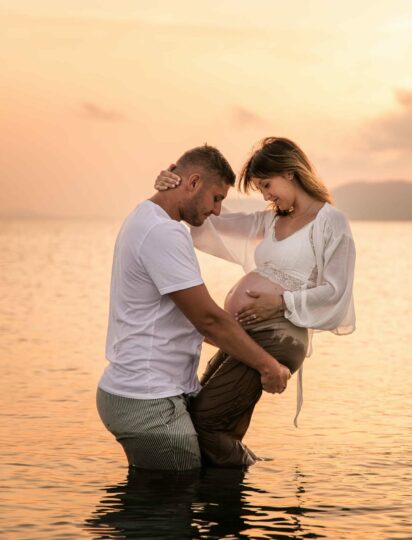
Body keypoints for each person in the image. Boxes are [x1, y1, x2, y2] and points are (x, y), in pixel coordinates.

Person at [154, 137, 356, 467]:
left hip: (280, 338)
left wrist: (281, 303)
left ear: (290, 173)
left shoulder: (331, 223)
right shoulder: (270, 220)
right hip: (247, 335)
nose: (265, 196)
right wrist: (172, 188)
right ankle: (228, 498)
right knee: (203, 415)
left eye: (266, 185)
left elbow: (336, 291)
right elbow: (209, 217)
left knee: (205, 422)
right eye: (261, 190)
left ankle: (236, 483)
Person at [97, 144, 291, 472]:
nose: (217, 211)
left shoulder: (147, 217)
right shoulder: (162, 232)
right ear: (194, 182)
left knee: (167, 502)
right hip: (147, 401)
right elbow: (207, 320)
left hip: (145, 395)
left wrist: (246, 346)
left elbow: (188, 321)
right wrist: (268, 365)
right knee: (172, 505)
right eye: (216, 198)